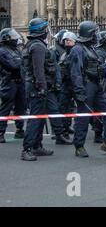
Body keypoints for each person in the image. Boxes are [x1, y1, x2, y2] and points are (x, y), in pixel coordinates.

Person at [21, 19, 71, 161]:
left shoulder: (33, 45)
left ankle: (37, 146)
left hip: (38, 85)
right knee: (35, 119)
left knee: (41, 117)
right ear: (42, 31)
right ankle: (27, 149)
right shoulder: (38, 47)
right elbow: (38, 70)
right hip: (37, 86)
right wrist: (42, 87)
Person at [69, 21, 106, 157]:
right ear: (90, 34)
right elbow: (75, 72)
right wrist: (79, 91)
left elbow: (95, 66)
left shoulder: (91, 48)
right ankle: (79, 146)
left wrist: (104, 68)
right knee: (83, 118)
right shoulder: (77, 49)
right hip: (86, 86)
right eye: (95, 32)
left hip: (96, 86)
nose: (97, 35)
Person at [0, 28, 26, 143]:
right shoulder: (2, 51)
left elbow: (23, 63)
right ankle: (0, 132)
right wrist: (21, 62)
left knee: (21, 106)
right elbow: (13, 64)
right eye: (12, 37)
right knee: (6, 107)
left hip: (19, 81)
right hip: (9, 81)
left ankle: (19, 129)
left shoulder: (16, 50)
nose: (15, 39)